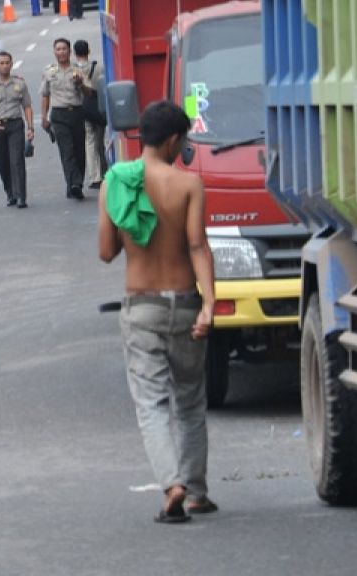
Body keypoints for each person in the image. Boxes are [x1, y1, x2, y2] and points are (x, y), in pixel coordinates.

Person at [97, 101, 218, 524]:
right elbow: (198, 245)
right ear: (172, 140)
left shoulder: (116, 181)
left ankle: (172, 485)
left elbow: (106, 252)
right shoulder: (189, 186)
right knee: (189, 400)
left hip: (141, 306)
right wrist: (208, 304)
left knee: (151, 403)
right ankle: (198, 490)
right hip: (184, 304)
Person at [0, 51, 34, 208]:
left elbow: (27, 106)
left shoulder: (19, 84)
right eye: (1, 63)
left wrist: (30, 127)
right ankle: (10, 192)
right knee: (2, 161)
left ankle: (21, 196)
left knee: (17, 160)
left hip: (15, 124)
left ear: (12, 64)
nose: (4, 66)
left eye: (7, 62)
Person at [40, 38, 90, 200]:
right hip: (59, 115)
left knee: (79, 152)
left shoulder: (79, 70)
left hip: (76, 113)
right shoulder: (49, 72)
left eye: (64, 49)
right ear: (54, 52)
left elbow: (89, 93)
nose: (61, 52)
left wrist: (80, 84)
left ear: (70, 52)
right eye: (58, 49)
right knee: (66, 151)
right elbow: (45, 96)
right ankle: (75, 184)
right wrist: (44, 117)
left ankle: (74, 184)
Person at [73, 39, 106, 188]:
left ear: (74, 53)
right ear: (89, 51)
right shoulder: (98, 67)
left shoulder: (73, 70)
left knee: (89, 141)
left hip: (83, 109)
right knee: (101, 142)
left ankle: (95, 176)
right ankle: (105, 172)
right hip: (98, 109)